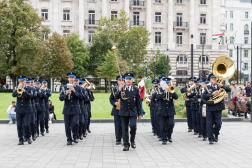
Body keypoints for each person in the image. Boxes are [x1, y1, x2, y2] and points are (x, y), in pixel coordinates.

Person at [115, 72, 142, 151]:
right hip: (124, 111)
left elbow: (138, 103)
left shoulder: (136, 89)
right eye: (127, 79)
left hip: (133, 111)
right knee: (124, 128)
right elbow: (116, 96)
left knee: (133, 126)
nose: (128, 81)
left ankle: (132, 140)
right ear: (124, 80)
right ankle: (126, 144)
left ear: (132, 80)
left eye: (130, 79)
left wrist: (139, 113)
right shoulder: (121, 88)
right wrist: (120, 88)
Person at [203, 73, 231, 144]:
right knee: (209, 124)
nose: (214, 80)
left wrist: (223, 85)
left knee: (218, 123)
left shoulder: (220, 87)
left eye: (215, 79)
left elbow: (229, 89)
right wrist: (212, 94)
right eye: (212, 79)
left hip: (218, 108)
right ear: (210, 80)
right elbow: (203, 97)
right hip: (210, 107)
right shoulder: (206, 88)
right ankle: (211, 139)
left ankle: (216, 134)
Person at [59, 72, 83, 145]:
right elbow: (60, 98)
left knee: (75, 123)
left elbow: (82, 97)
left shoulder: (78, 88)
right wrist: (66, 94)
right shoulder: (64, 87)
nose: (71, 79)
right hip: (67, 109)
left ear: (74, 78)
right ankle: (69, 139)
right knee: (67, 125)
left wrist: (74, 91)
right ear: (68, 79)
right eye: (70, 78)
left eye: (72, 77)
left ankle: (75, 136)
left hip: (75, 109)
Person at [12, 75, 33, 145]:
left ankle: (28, 137)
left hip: (26, 109)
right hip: (19, 109)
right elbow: (13, 95)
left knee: (26, 125)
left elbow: (30, 96)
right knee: (19, 125)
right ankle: (20, 139)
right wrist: (17, 89)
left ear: (25, 81)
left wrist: (24, 91)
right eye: (20, 81)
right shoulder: (17, 88)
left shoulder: (29, 88)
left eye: (22, 81)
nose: (21, 82)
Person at [157, 77, 178, 145]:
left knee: (171, 124)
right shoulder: (160, 89)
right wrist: (164, 93)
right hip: (162, 110)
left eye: (168, 82)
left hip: (170, 110)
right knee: (162, 125)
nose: (167, 84)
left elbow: (176, 97)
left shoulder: (171, 88)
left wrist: (172, 91)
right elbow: (157, 98)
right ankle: (164, 139)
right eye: (166, 83)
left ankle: (169, 135)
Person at [109, 75, 124, 145]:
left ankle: (124, 137)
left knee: (124, 125)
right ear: (117, 81)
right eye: (119, 80)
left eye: (122, 80)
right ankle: (118, 139)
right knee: (117, 125)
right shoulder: (114, 89)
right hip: (117, 109)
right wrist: (114, 103)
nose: (121, 82)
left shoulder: (127, 89)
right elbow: (111, 99)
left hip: (125, 110)